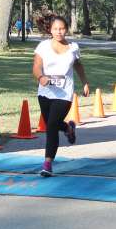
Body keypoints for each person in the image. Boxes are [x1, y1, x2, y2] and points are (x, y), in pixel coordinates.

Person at [32, 16, 90, 177]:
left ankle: (47, 163)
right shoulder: (43, 46)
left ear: (66, 29)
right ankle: (68, 128)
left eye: (62, 28)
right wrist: (41, 77)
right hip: (45, 92)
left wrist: (85, 82)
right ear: (50, 30)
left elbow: (78, 65)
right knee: (53, 123)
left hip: (64, 94)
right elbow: (36, 67)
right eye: (56, 29)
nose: (59, 32)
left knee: (51, 127)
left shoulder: (73, 47)